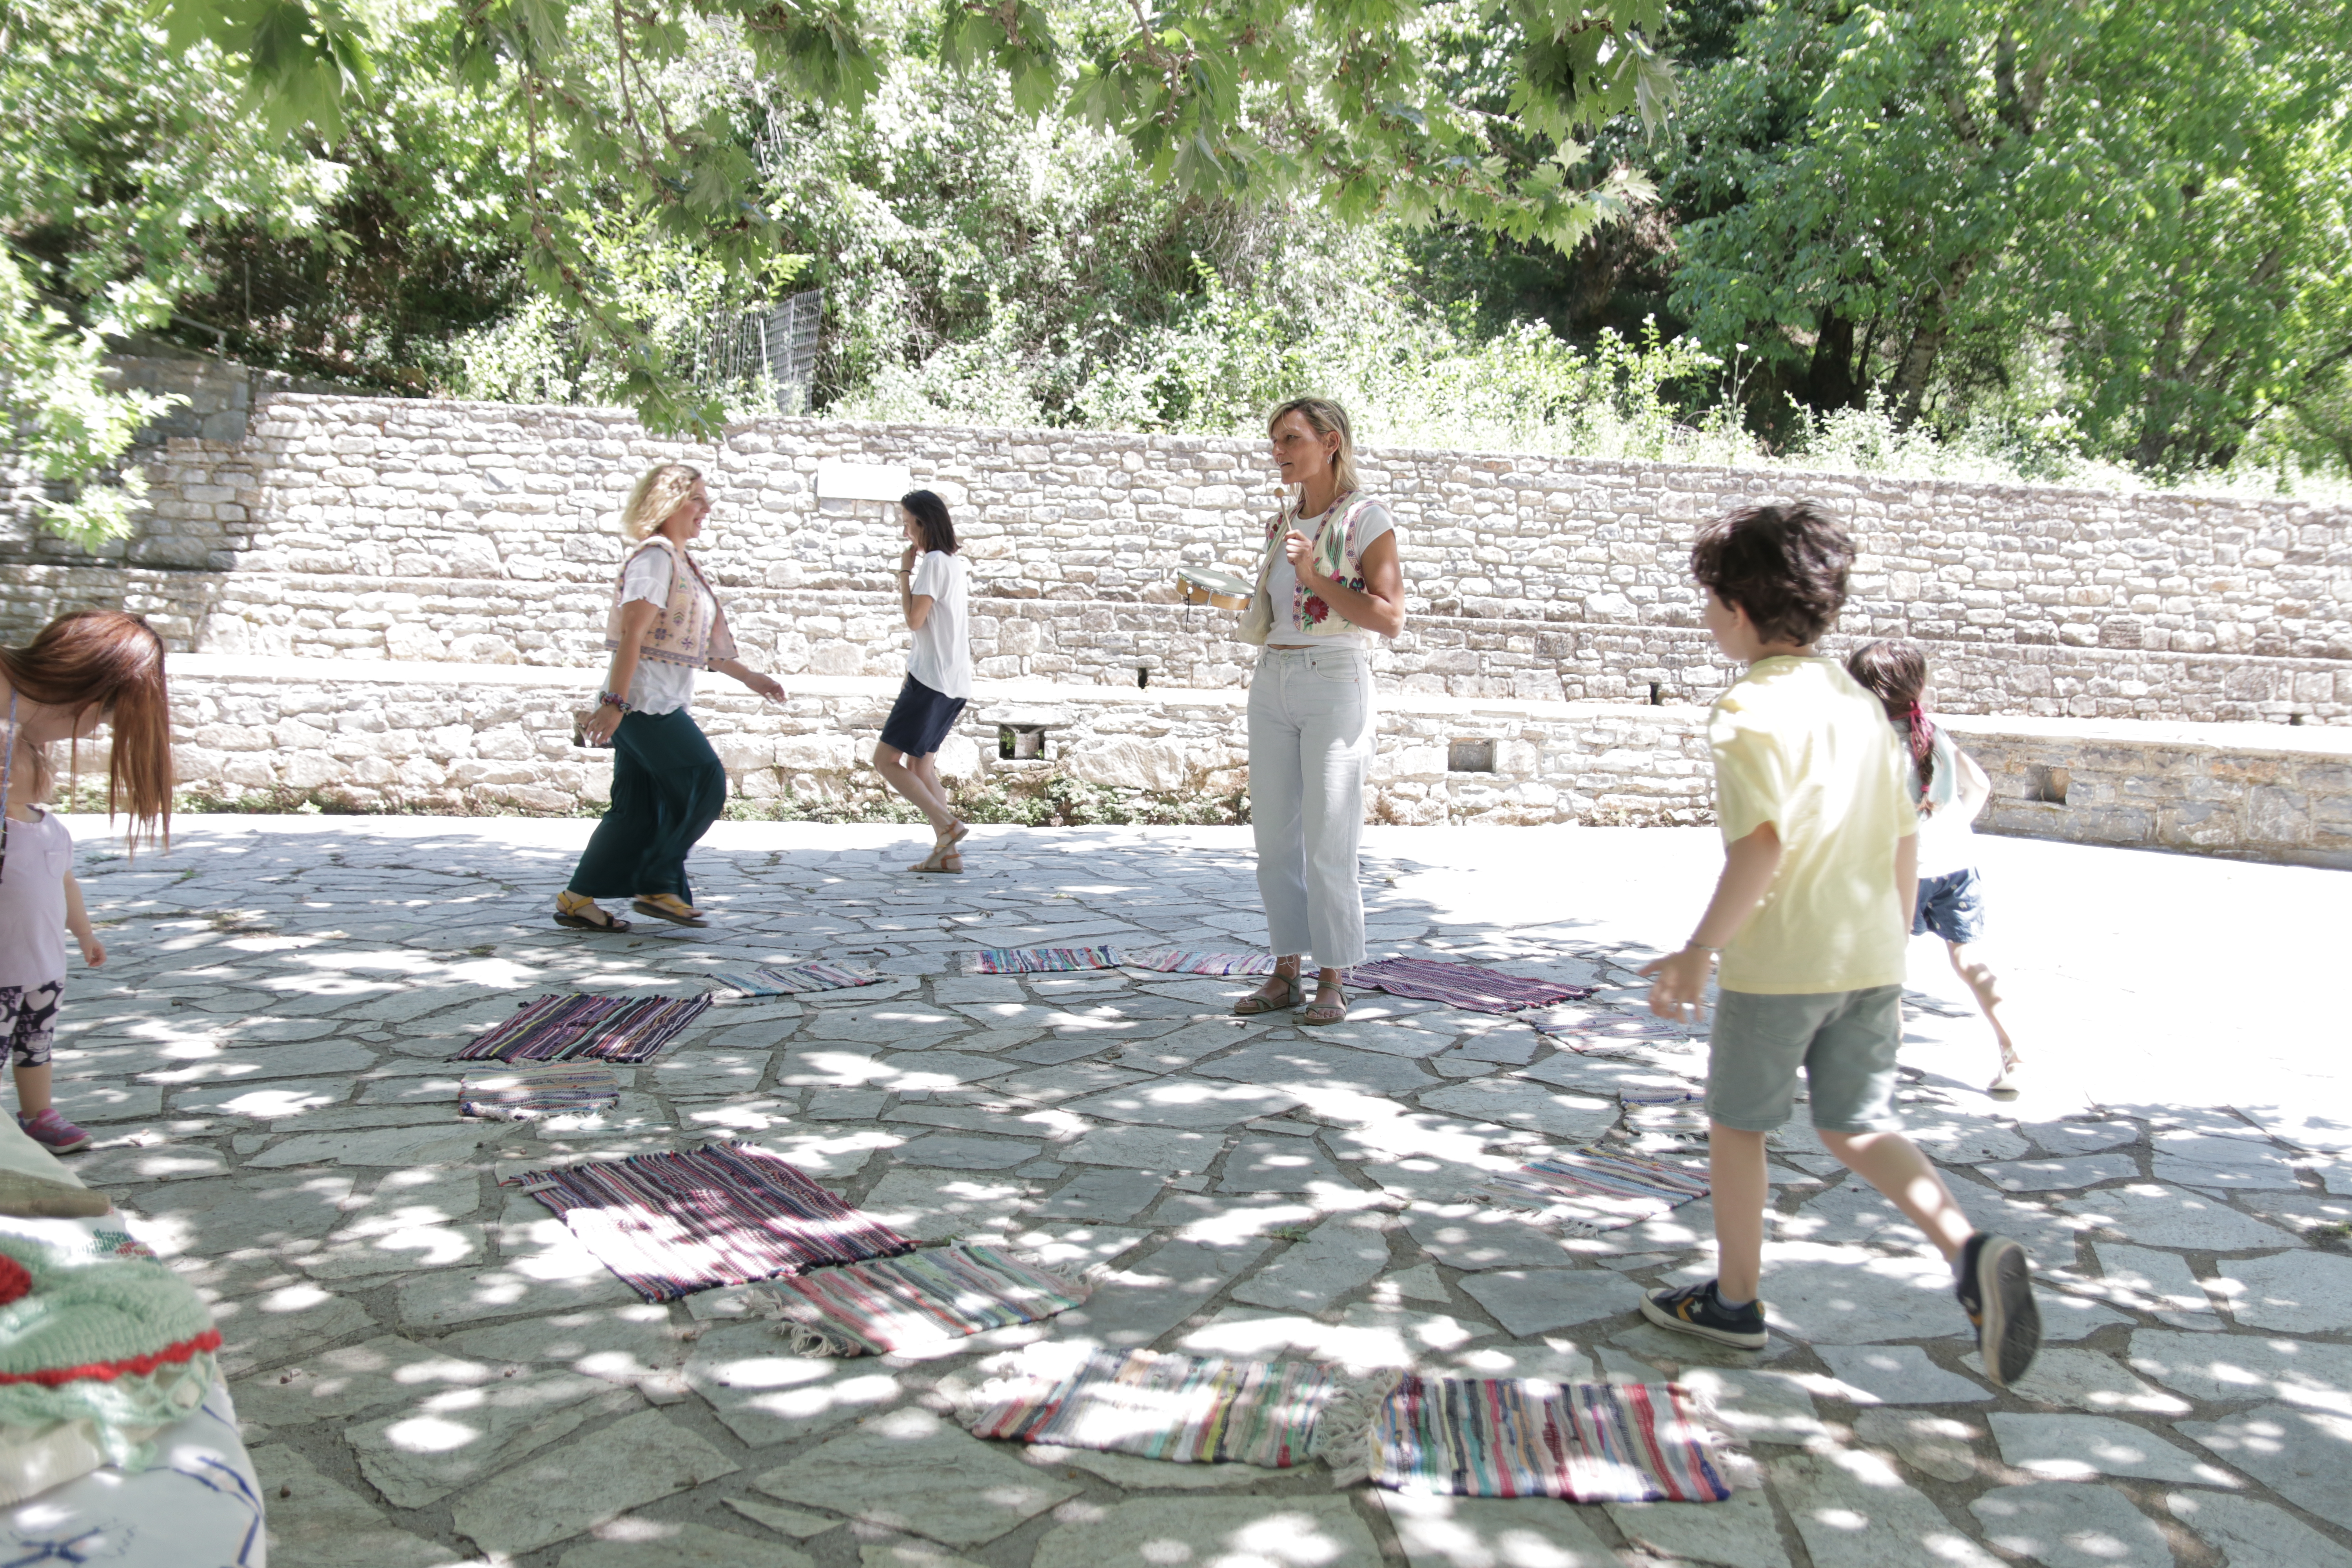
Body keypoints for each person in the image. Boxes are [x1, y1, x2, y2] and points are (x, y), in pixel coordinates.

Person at [1634, 502, 2040, 1387]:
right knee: (1857, 1122)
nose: (1706, 617)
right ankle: (1969, 1250)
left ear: (1738, 608)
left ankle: (1734, 1299)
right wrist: (1891, 942)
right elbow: (1906, 833)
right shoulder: (1860, 702)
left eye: (1709, 601)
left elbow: (1762, 846)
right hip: (1870, 958)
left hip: (1780, 964)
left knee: (1738, 1124)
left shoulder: (1745, 709)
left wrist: (1699, 949)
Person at [1229, 397, 1405, 1027]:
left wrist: (1315, 573)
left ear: (1330, 443)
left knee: (1330, 837)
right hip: (1272, 678)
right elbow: (1282, 609)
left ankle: (1334, 976)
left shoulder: (1365, 517)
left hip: (1334, 679)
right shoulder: (1284, 521)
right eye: (1275, 440)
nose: (1278, 450)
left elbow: (1389, 617)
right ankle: (1286, 972)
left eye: (1291, 439)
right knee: (1274, 840)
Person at [558, 463, 785, 932]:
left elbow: (696, 646)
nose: (708, 508)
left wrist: (751, 677)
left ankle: (576, 899)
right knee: (704, 781)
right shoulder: (655, 560)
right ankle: (658, 885)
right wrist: (615, 704)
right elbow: (633, 636)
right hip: (642, 704)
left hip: (650, 702)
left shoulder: (680, 564)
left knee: (634, 809)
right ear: (668, 504)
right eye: (697, 499)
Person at [0, 610, 173, 1154]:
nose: (97, 731)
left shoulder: (16, 735)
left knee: (34, 1041)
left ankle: (34, 1115)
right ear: (88, 698)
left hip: (37, 961)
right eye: (104, 717)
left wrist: (82, 931)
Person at [1847, 639, 2022, 1099]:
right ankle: (2013, 1049)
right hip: (1957, 864)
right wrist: (1952, 829)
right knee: (1968, 958)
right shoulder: (1935, 733)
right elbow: (1979, 785)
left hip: (1899, 872)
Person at [872, 490, 973, 875]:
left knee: (885, 760)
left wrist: (903, 573)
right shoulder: (953, 562)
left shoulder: (932, 563)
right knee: (921, 767)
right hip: (955, 681)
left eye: (907, 523)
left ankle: (948, 825)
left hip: (930, 679)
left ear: (923, 523)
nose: (905, 532)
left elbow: (914, 620)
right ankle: (948, 855)